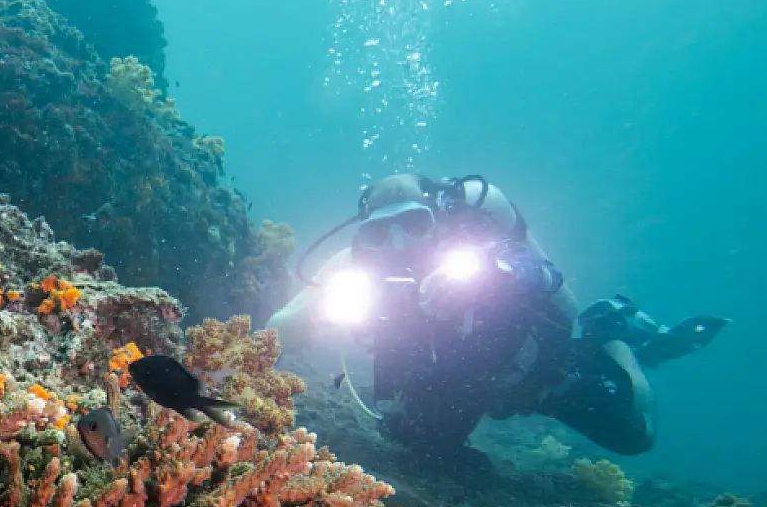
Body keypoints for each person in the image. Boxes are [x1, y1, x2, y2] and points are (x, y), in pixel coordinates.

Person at [270, 173, 725, 456]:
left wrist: (491, 272)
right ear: (363, 237)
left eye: (412, 225)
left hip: (539, 378)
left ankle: (614, 333)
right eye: (381, 232)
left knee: (635, 439)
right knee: (416, 442)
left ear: (434, 218)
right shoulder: (357, 267)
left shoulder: (474, 244)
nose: (399, 244)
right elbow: (286, 324)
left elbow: (542, 274)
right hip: (464, 385)